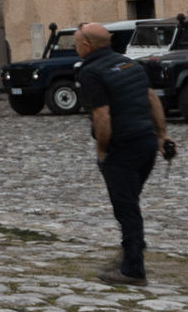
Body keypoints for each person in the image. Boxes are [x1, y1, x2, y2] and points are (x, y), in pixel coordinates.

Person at [74, 18, 173, 286]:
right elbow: (152, 98)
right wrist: (162, 135)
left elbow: (102, 116)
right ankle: (131, 250)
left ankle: (132, 269)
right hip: (146, 145)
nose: (76, 48)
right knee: (129, 202)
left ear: (86, 45)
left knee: (126, 207)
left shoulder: (91, 73)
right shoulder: (131, 64)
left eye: (76, 43)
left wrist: (103, 150)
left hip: (122, 147)